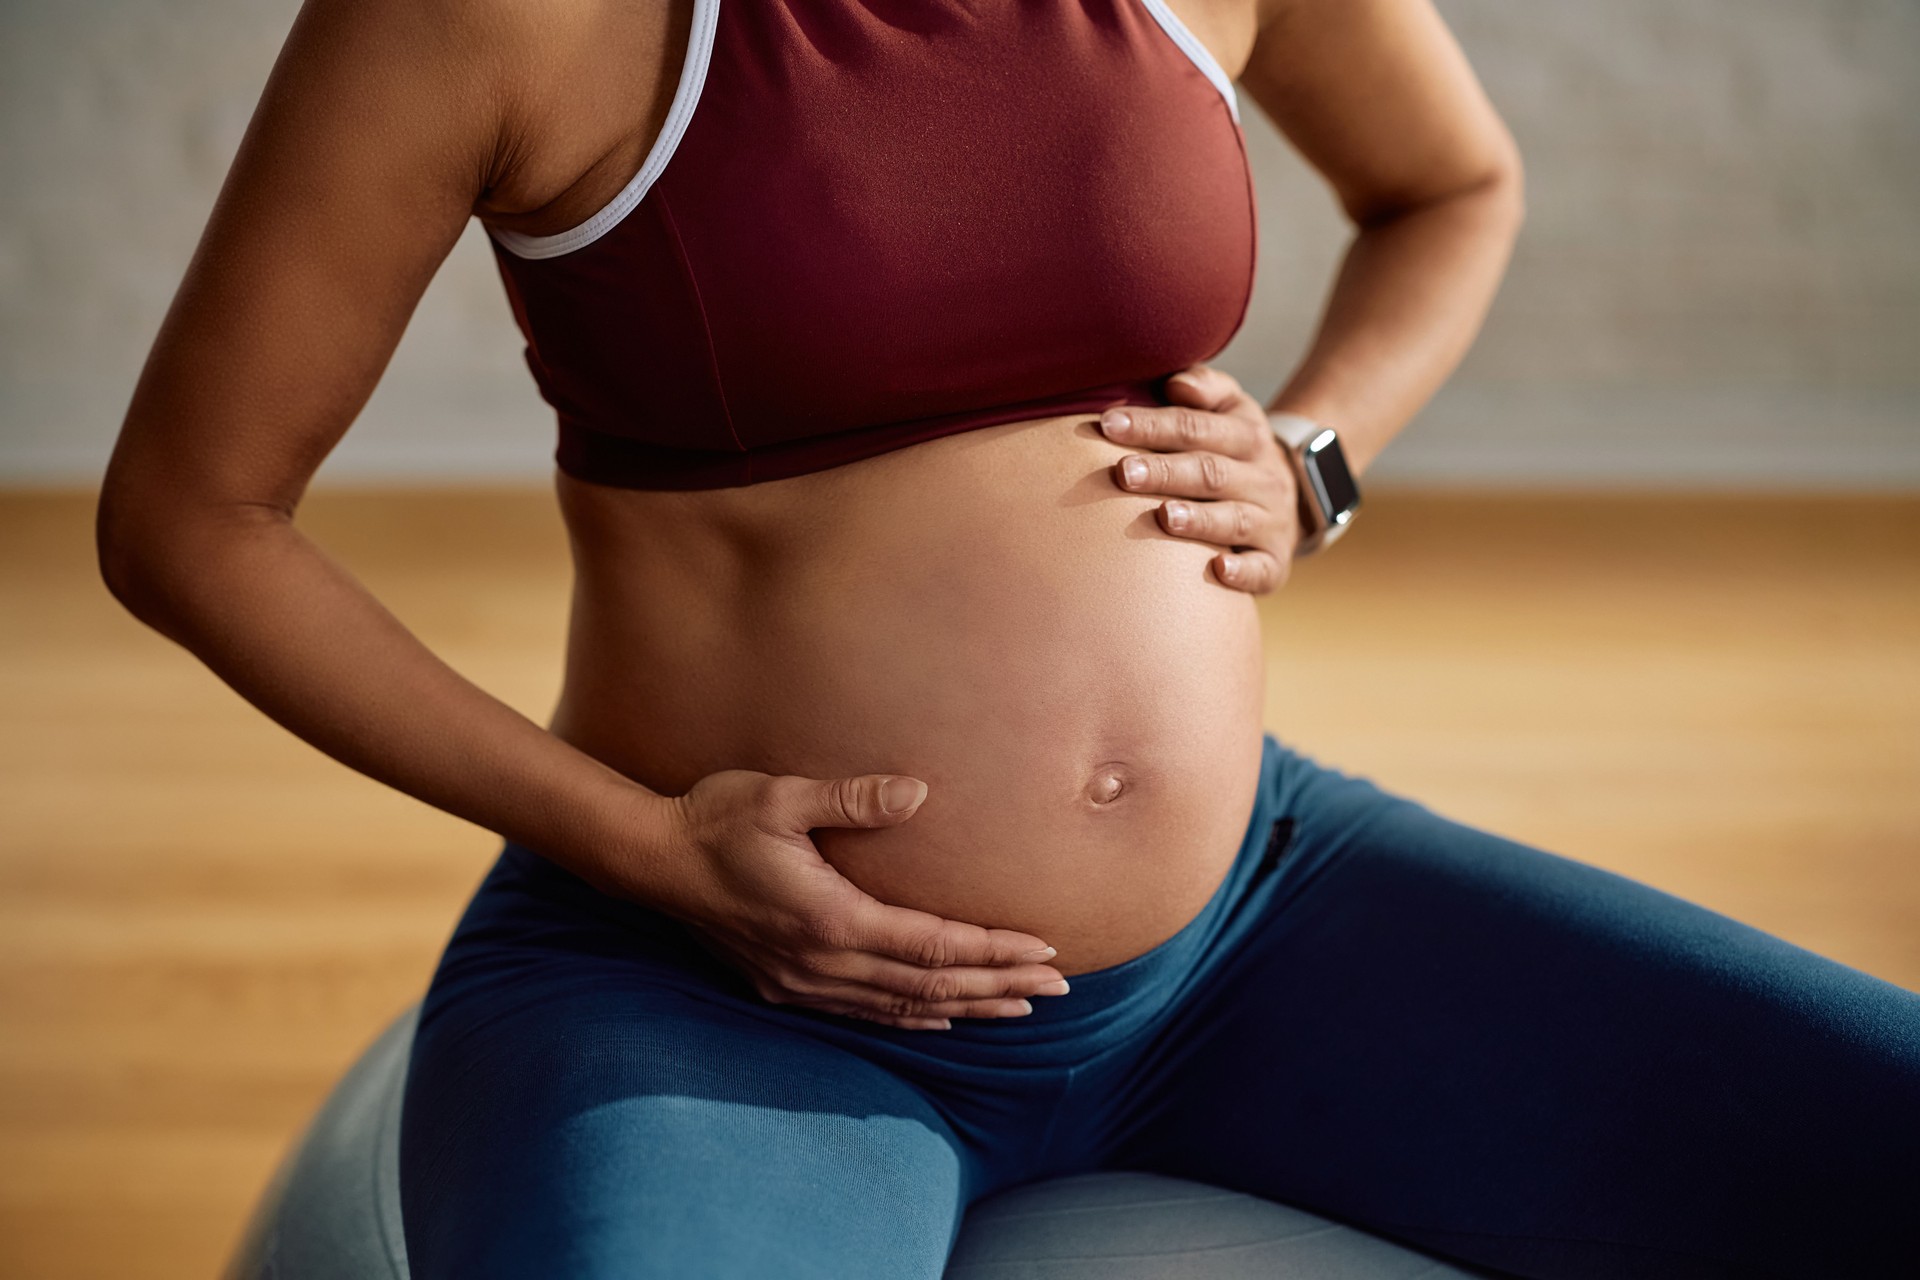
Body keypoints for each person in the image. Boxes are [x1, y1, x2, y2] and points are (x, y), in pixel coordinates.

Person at [96, 0, 1918, 1276]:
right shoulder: (511, 12)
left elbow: (1451, 185)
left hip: (1248, 929)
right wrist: (647, 845)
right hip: (732, 991)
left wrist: (1314, 455)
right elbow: (193, 517)